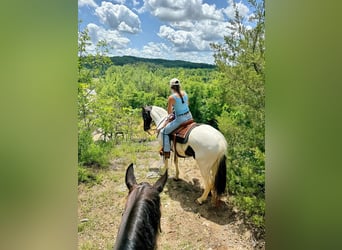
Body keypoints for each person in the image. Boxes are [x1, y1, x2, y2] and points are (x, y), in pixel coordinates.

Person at [160, 78, 193, 159]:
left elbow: (169, 112)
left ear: (171, 87)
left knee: (164, 132)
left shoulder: (171, 98)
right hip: (189, 117)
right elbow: (187, 105)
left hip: (180, 119)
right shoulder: (185, 93)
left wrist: (175, 111)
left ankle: (166, 151)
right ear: (179, 86)